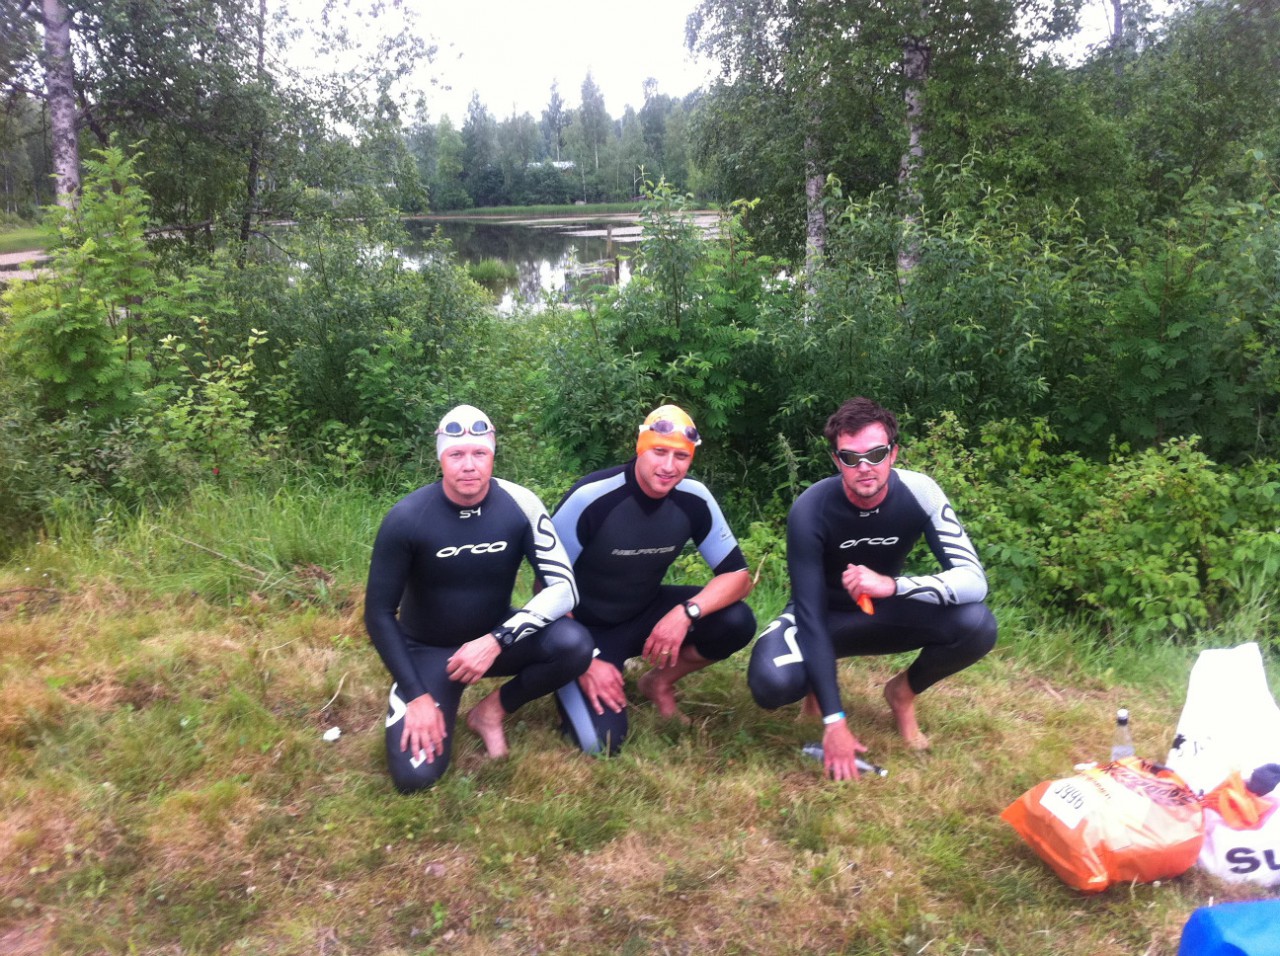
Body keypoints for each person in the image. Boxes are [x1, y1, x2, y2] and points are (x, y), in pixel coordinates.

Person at [748, 397, 997, 780]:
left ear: (893, 453)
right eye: (851, 458)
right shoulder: (811, 509)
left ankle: (902, 693)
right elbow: (809, 614)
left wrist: (892, 585)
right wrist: (835, 721)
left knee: (978, 625)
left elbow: (974, 581)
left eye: (876, 454)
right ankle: (816, 689)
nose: (864, 467)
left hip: (881, 609)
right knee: (771, 685)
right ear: (837, 461)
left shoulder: (921, 491)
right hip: (823, 617)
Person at [364, 404, 593, 792]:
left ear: (493, 454)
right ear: (440, 458)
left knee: (574, 644)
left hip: (495, 640)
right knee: (415, 777)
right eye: (456, 454)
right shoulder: (407, 518)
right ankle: (422, 695)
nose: (469, 465)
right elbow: (379, 614)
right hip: (428, 652)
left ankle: (490, 712)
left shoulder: (520, 504)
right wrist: (417, 695)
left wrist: (496, 640)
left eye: (479, 453)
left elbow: (564, 589)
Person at [551, 404, 756, 755]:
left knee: (736, 620)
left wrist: (685, 613)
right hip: (583, 632)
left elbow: (738, 577)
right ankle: (575, 673)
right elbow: (546, 587)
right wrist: (586, 659)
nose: (668, 466)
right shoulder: (591, 497)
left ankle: (658, 682)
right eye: (659, 451)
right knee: (601, 744)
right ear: (640, 447)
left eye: (681, 456)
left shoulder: (694, 499)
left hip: (644, 614)